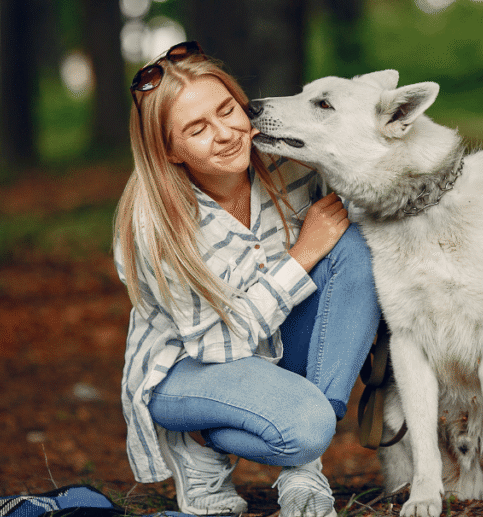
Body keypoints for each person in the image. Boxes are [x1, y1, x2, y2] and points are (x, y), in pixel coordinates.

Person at [113, 41, 381, 517]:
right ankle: (198, 439)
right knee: (307, 425)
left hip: (272, 344)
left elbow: (358, 251)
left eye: (227, 110)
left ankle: (303, 469)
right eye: (197, 129)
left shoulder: (290, 163)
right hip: (187, 367)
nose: (225, 134)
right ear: (170, 150)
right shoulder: (155, 222)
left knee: (353, 247)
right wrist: (302, 254)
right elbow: (214, 345)